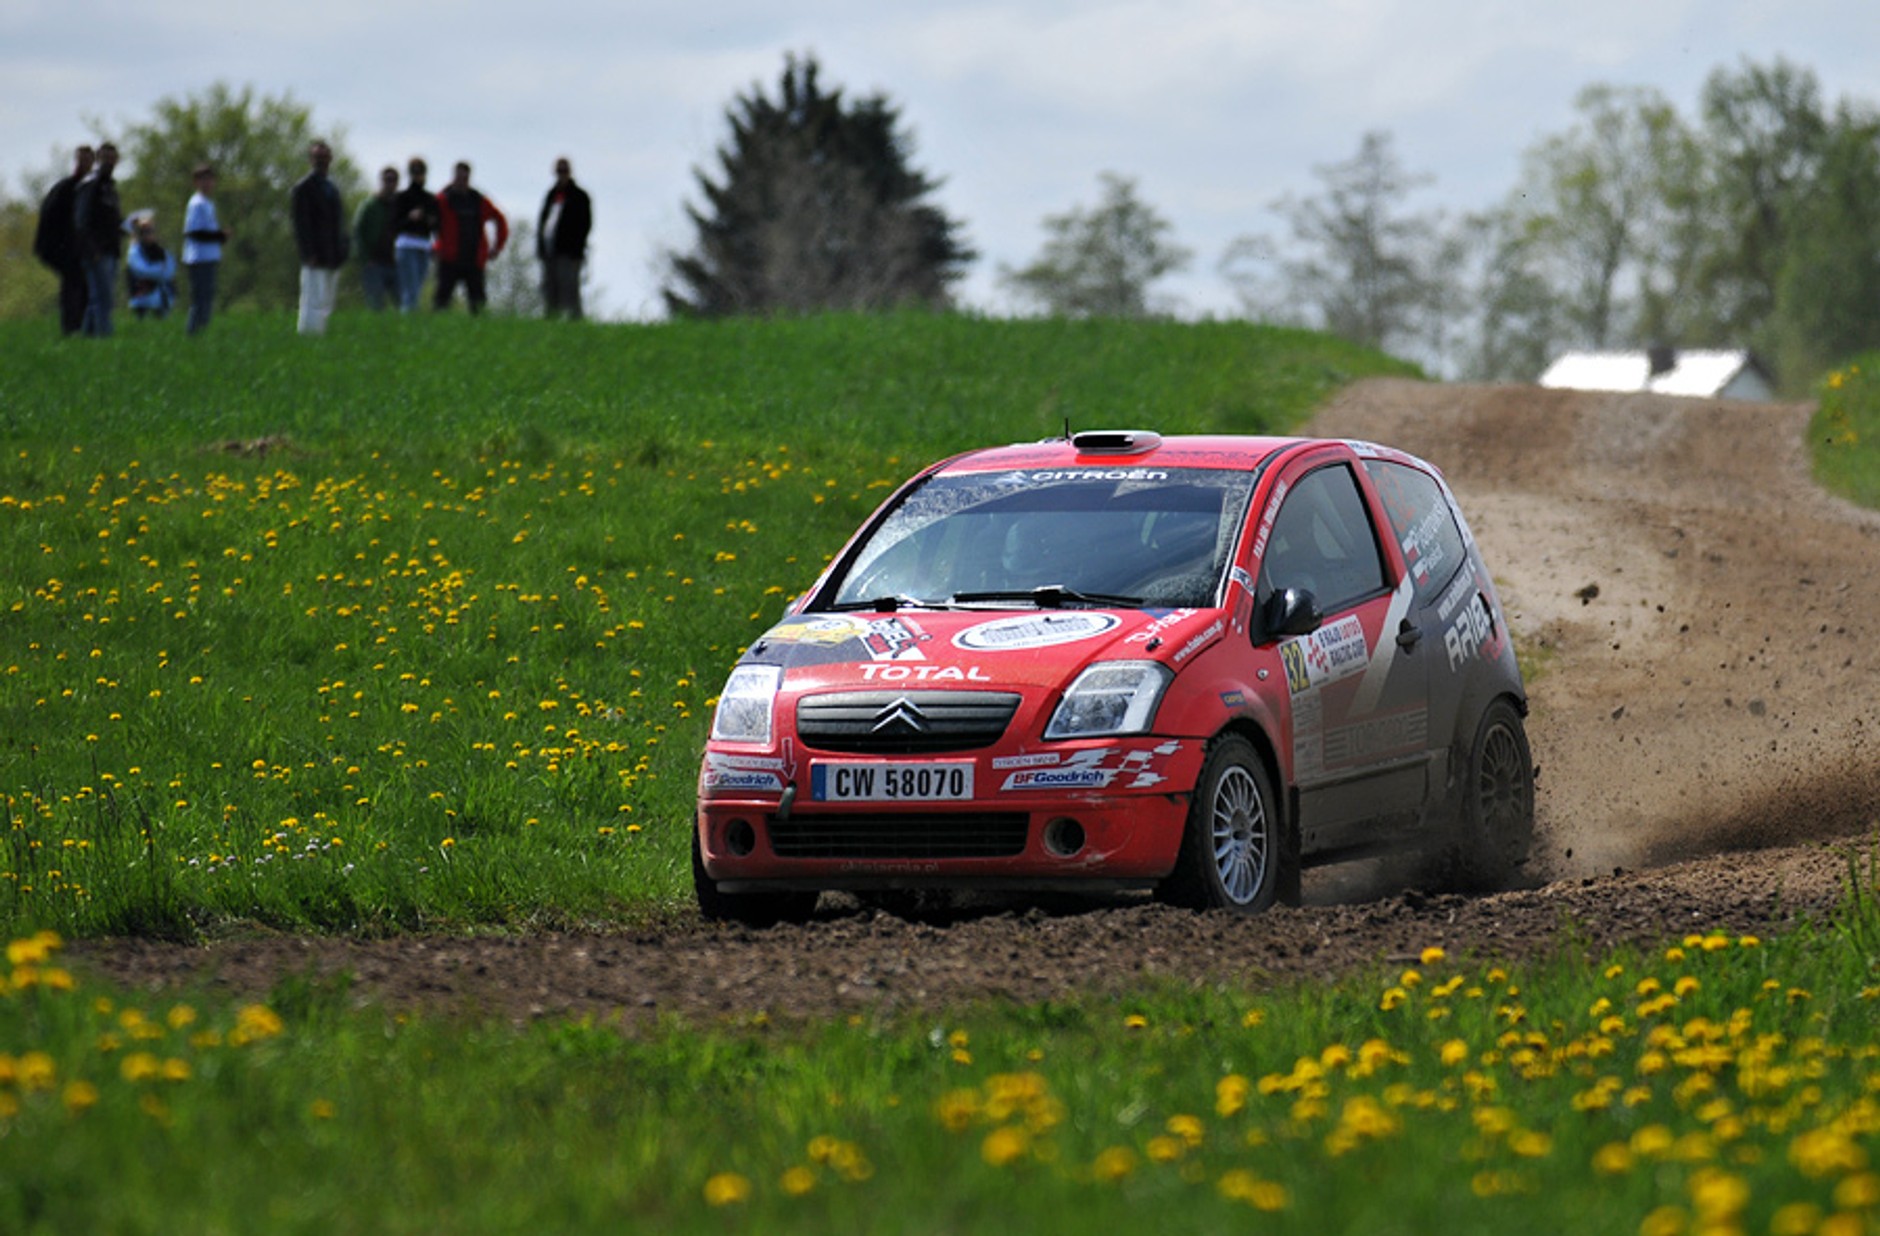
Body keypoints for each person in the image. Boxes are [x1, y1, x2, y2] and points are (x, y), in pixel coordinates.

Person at [33, 144, 94, 335]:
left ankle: (80, 327)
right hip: (59, 247)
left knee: (81, 285)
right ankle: (71, 328)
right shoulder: (66, 189)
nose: (85, 164)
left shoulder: (88, 188)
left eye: (88, 160)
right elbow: (52, 220)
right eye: (81, 160)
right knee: (74, 284)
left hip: (75, 248)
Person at [433, 161, 507, 314]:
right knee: (441, 301)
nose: (461, 181)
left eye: (465, 177)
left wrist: (497, 247)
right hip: (449, 259)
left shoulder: (478, 200)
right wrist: (435, 246)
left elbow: (500, 220)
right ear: (454, 177)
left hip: (474, 259)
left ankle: (480, 332)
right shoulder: (442, 199)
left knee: (478, 303)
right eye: (458, 177)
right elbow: (428, 223)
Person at [291, 139, 346, 335]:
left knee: (327, 301)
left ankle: (322, 334)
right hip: (315, 255)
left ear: (330, 159)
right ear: (311, 160)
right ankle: (308, 335)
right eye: (317, 157)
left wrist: (342, 249)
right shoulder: (303, 188)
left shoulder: (332, 188)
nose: (321, 161)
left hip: (332, 254)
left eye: (324, 157)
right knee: (312, 300)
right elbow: (300, 224)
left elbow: (338, 223)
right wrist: (308, 253)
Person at [72, 141, 123, 338]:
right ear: (98, 159)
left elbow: (112, 220)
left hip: (111, 248)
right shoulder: (90, 185)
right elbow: (81, 222)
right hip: (97, 252)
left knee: (98, 299)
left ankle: (86, 338)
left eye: (112, 158)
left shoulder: (110, 187)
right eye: (105, 158)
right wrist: (92, 251)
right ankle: (105, 338)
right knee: (104, 298)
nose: (109, 162)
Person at [537, 156, 592, 320]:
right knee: (550, 288)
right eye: (559, 171)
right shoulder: (551, 195)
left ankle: (575, 322)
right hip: (550, 252)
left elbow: (586, 224)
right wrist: (541, 248)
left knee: (570, 289)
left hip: (570, 253)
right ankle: (550, 320)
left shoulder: (580, 196)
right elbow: (543, 223)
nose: (562, 174)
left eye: (564, 171)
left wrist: (577, 247)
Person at [181, 163, 228, 335]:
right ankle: (193, 333)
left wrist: (219, 236)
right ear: (196, 182)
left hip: (209, 256)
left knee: (207, 299)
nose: (207, 183)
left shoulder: (208, 203)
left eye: (209, 180)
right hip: (198, 258)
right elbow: (192, 232)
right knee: (200, 300)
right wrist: (217, 236)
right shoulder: (196, 204)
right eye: (202, 180)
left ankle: (201, 332)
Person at [392, 156, 440, 312]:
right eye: (415, 173)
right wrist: (410, 218)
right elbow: (395, 224)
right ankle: (407, 324)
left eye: (421, 173)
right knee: (410, 291)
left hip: (424, 246)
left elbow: (436, 225)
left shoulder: (430, 199)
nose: (418, 176)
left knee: (417, 289)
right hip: (406, 245)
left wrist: (429, 221)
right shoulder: (402, 198)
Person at [354, 165, 399, 311]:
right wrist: (365, 258)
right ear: (382, 181)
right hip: (374, 263)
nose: (390, 183)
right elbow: (358, 232)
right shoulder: (370, 205)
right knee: (375, 306)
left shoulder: (399, 206)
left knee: (403, 305)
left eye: (393, 180)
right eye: (387, 180)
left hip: (396, 263)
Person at [125, 216, 177, 318]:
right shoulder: (134, 252)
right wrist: (160, 270)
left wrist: (160, 272)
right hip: (142, 298)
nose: (149, 234)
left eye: (151, 231)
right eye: (145, 232)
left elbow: (170, 269)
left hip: (162, 297)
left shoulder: (161, 251)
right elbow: (141, 270)